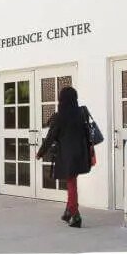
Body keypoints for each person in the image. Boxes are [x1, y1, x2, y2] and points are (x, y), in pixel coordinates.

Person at [36, 86, 93, 228]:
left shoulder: (59, 116)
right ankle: (68, 211)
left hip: (67, 155)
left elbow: (50, 138)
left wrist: (40, 153)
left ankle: (75, 215)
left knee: (71, 184)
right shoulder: (81, 113)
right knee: (72, 182)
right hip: (81, 153)